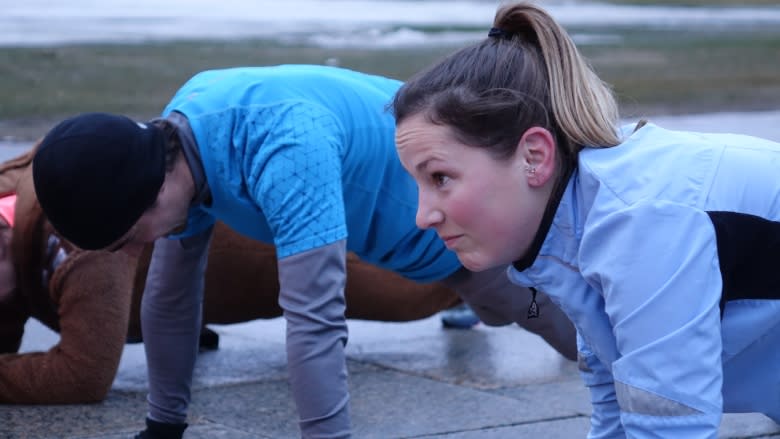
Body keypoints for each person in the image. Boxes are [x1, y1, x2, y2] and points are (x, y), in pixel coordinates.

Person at [30, 65, 576, 438]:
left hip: (470, 234)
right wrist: (163, 426)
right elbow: (169, 300)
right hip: (412, 239)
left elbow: (315, 321)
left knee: (541, 315)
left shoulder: (285, 149)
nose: (142, 246)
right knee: (492, 310)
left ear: (150, 191)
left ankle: (638, 384)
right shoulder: (179, 139)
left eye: (131, 236)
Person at [392, 2, 780, 437]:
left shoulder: (641, 222)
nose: (423, 216)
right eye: (419, 184)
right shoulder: (576, 221)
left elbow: (669, 427)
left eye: (441, 177)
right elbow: (617, 405)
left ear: (534, 157)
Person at [0, 145, 464, 404]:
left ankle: (488, 276)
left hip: (272, 256)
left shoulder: (80, 246)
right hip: (198, 258)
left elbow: (82, 377)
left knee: (416, 289)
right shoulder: (9, 199)